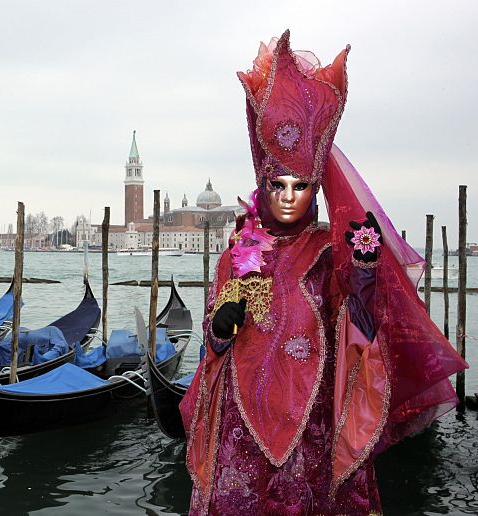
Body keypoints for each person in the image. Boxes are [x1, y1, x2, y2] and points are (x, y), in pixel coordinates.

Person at [179, 30, 468, 515]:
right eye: (278, 184)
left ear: (316, 189)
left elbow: (360, 333)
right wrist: (221, 329)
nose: (289, 195)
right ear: (263, 184)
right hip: (242, 425)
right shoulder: (238, 253)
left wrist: (364, 275)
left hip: (310, 425)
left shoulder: (328, 253)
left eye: (301, 185)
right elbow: (214, 342)